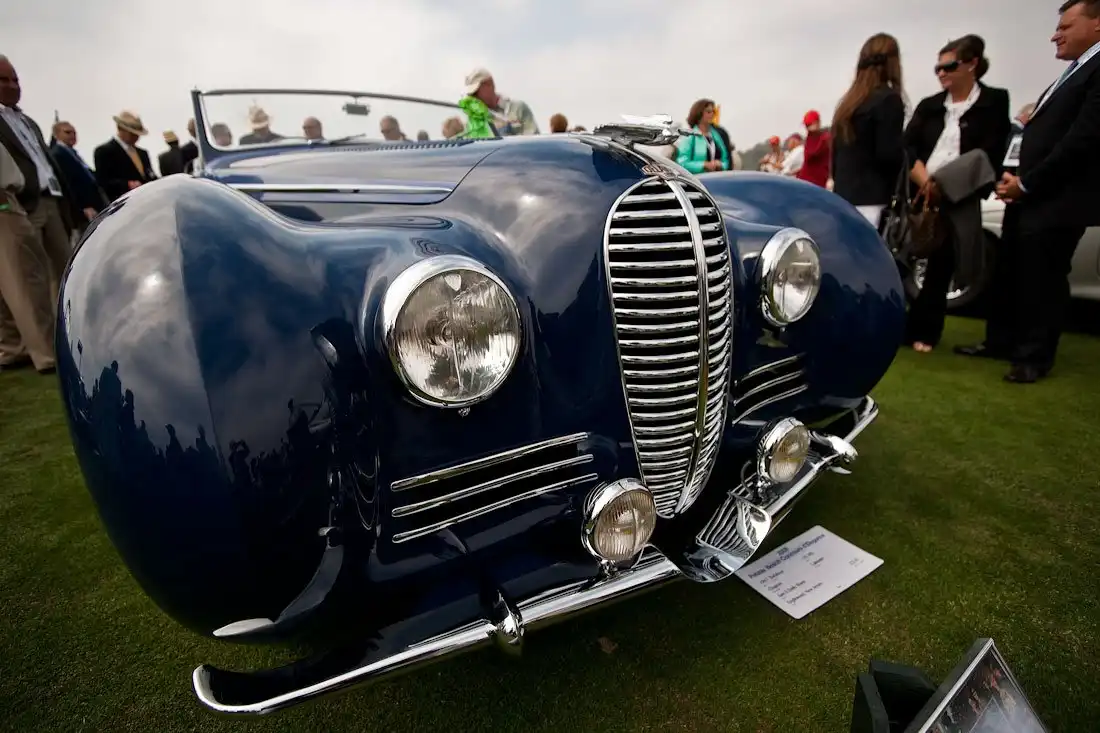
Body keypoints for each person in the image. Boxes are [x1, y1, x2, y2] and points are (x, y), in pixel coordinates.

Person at [957, 0, 1100, 382]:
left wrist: (1028, 182)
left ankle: (1034, 357)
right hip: (1031, 194)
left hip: (1058, 198)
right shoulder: (1075, 71)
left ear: (1097, 24)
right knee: (1011, 271)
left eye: (1065, 27)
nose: (1055, 35)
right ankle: (1000, 342)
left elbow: (1081, 140)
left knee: (1043, 277)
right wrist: (1016, 178)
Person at [902, 35, 1010, 354]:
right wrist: (926, 183)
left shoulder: (994, 102)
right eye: (938, 68)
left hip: (960, 195)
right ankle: (901, 323)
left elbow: (988, 153)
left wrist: (945, 185)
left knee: (942, 264)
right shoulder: (930, 106)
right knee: (906, 255)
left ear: (972, 64)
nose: (942, 73)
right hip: (921, 192)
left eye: (949, 66)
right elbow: (908, 147)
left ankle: (925, 331)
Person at [831, 33, 906, 227]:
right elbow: (888, 155)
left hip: (843, 199)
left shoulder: (847, 106)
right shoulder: (889, 100)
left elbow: (836, 160)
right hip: (874, 200)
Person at [0, 135, 57, 374]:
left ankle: (12, 348)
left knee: (9, 283)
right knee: (26, 279)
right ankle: (46, 352)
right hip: (4, 202)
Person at [49, 120, 108, 232]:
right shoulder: (58, 154)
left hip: (95, 204)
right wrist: (81, 209)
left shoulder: (72, 153)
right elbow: (68, 184)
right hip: (84, 209)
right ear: (56, 135)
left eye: (74, 133)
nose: (72, 135)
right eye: (67, 132)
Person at [93, 110, 157, 201]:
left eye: (137, 134)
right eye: (132, 133)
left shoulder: (143, 153)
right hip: (124, 203)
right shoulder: (104, 151)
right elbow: (103, 182)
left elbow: (150, 175)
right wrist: (127, 184)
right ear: (120, 129)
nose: (136, 137)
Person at [463, 68, 538, 136]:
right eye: (471, 95)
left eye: (475, 92)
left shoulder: (518, 108)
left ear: (490, 84)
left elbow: (533, 141)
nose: (474, 98)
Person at [675, 98, 730, 174]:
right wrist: (703, 165)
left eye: (713, 111)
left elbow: (726, 161)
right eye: (708, 112)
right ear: (699, 114)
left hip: (717, 179)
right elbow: (682, 163)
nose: (712, 114)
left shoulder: (717, 136)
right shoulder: (689, 136)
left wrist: (720, 164)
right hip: (697, 180)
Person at [797, 110, 832, 187]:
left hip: (816, 182)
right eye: (806, 125)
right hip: (806, 181)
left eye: (809, 124)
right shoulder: (810, 138)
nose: (807, 127)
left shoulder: (825, 138)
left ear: (818, 122)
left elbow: (813, 153)